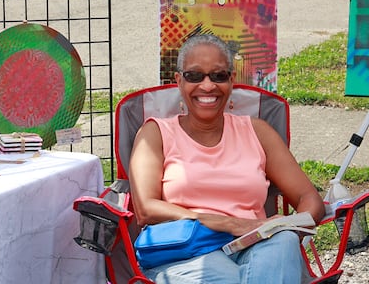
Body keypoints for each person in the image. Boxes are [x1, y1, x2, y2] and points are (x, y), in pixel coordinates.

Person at [129, 34, 325, 284]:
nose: (208, 86)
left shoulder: (257, 131)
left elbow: (308, 198)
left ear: (231, 80)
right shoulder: (155, 133)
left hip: (255, 243)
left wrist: (289, 225)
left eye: (218, 75)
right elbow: (146, 208)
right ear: (179, 81)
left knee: (284, 240)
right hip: (187, 251)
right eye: (194, 75)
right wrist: (229, 224)